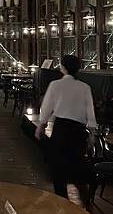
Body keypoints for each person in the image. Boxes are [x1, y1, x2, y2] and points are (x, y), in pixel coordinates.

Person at [35, 54, 97, 200]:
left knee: (59, 169)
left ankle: (62, 201)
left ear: (62, 68)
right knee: (77, 166)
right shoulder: (85, 87)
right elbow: (90, 111)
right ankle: (85, 202)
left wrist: (41, 125)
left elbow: (47, 107)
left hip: (61, 129)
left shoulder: (55, 85)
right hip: (78, 131)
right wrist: (92, 133)